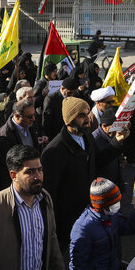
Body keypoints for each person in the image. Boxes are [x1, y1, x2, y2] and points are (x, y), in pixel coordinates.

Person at [69, 178, 135, 270]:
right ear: (101, 204)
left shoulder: (111, 215)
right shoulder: (83, 229)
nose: (118, 205)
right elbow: (77, 265)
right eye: (114, 203)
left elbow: (127, 228)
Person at [41, 96, 97, 248]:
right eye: (81, 115)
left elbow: (98, 162)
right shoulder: (54, 151)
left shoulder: (87, 137)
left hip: (88, 212)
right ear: (70, 120)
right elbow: (49, 193)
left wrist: (116, 144)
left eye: (87, 113)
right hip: (68, 224)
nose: (87, 119)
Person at [0, 99, 39, 173]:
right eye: (30, 117)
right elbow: (4, 167)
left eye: (34, 115)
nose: (33, 119)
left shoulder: (30, 125)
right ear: (17, 116)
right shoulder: (4, 136)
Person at [92, 108, 130, 185]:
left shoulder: (113, 135)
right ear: (104, 126)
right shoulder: (94, 140)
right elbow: (99, 162)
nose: (118, 131)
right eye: (116, 127)